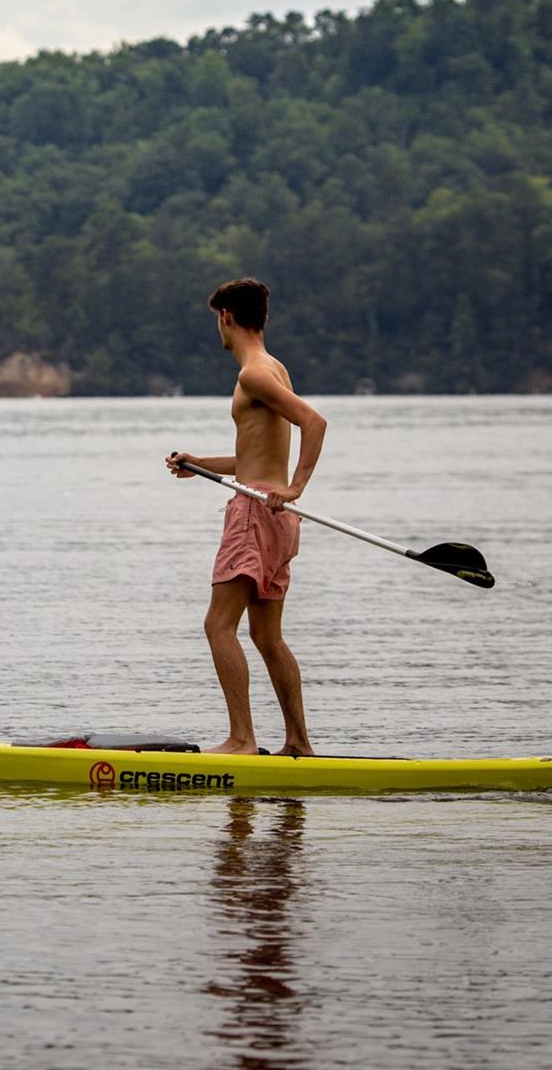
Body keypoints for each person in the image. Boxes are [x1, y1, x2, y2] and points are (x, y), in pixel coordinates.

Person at [166, 278, 327, 756]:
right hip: (277, 515)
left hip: (257, 512)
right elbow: (257, 457)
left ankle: (241, 740)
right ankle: (298, 743)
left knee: (218, 625)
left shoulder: (253, 374)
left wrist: (297, 487)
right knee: (266, 636)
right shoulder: (274, 367)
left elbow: (314, 422)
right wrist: (201, 464)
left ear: (227, 318)